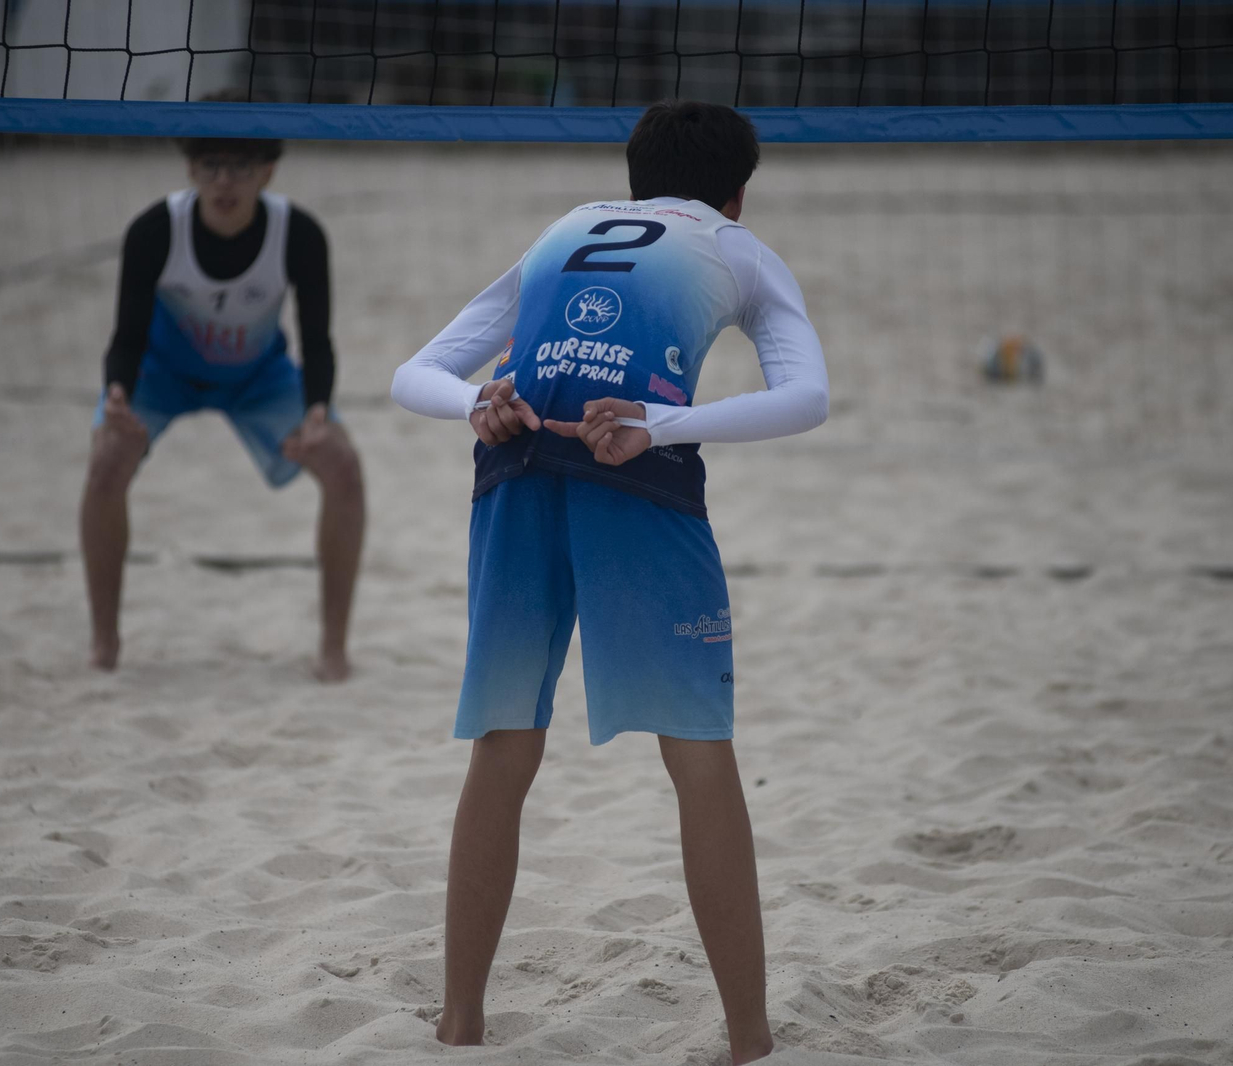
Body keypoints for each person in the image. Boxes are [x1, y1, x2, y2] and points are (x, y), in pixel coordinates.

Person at [390, 100, 828, 1064]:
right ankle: (751, 1043)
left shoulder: (562, 230)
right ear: (739, 193)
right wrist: (662, 425)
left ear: (631, 179)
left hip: (513, 471)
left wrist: (479, 404)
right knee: (699, 757)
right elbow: (807, 399)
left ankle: (459, 1027)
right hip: (635, 474)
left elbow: (412, 374)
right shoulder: (736, 248)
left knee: (502, 749)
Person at [80, 98, 364, 680]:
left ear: (268, 171)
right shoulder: (156, 229)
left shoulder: (298, 232)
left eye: (240, 165)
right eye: (210, 164)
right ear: (190, 168)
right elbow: (127, 335)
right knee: (106, 461)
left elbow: (318, 339)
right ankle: (104, 643)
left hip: (258, 376)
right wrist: (115, 395)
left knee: (343, 465)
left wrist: (316, 412)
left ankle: (333, 648)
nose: (224, 180)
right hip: (162, 373)